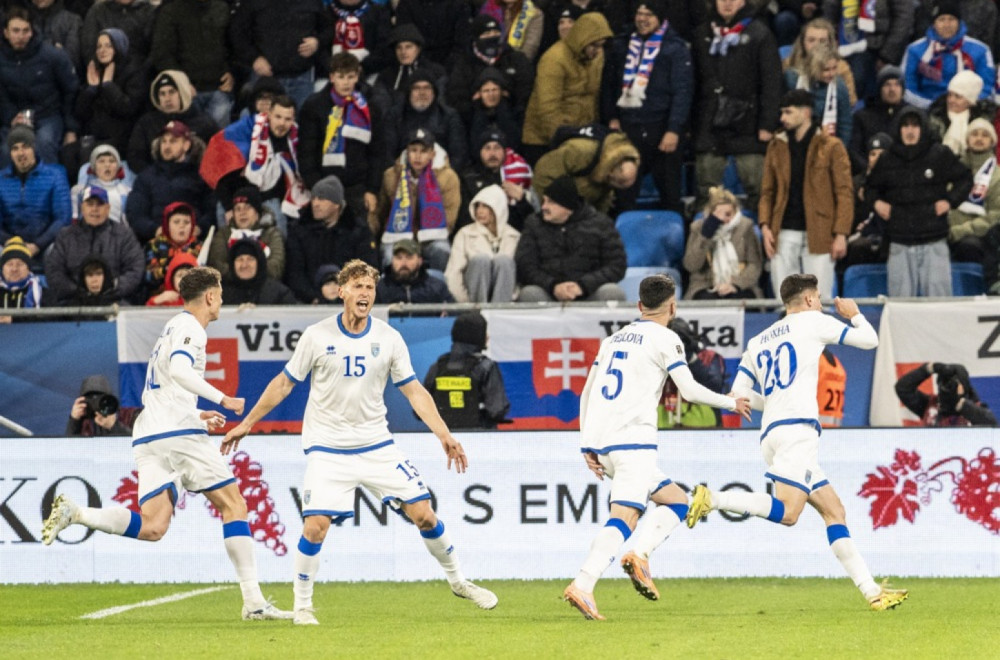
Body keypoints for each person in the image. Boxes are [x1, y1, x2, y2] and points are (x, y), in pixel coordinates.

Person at [221, 259, 498, 625]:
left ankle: (459, 581)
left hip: (376, 445)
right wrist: (247, 423)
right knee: (315, 526)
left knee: (424, 515)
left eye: (370, 287)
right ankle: (302, 606)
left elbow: (414, 391)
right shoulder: (317, 336)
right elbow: (284, 383)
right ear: (342, 292)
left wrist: (444, 434)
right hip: (327, 447)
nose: (365, 293)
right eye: (358, 286)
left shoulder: (388, 338)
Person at [43, 266, 292, 622]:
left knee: (153, 527)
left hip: (150, 435)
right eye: (220, 294)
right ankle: (253, 603)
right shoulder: (191, 328)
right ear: (210, 296)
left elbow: (168, 390)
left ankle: (78, 514)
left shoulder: (172, 327)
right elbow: (179, 371)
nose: (221, 301)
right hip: (176, 435)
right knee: (234, 505)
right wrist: (222, 399)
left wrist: (198, 415)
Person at [685, 273, 908, 612]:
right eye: (818, 297)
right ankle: (714, 498)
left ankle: (872, 592)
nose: (820, 303)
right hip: (797, 433)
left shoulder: (758, 341)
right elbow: (869, 340)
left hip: (772, 433)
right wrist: (854, 314)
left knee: (834, 510)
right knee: (789, 513)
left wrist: (773, 402)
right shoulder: (813, 321)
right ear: (808, 299)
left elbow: (738, 395)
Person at [562, 274, 752, 620]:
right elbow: (689, 391)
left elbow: (587, 391)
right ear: (673, 307)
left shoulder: (612, 340)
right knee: (625, 516)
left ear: (639, 305)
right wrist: (730, 402)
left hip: (604, 440)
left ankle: (639, 555)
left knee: (677, 501)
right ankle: (583, 584)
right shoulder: (666, 338)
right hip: (633, 442)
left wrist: (586, 443)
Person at [866, 106, 973, 296]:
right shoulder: (887, 158)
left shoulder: (939, 153)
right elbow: (869, 188)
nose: (910, 130)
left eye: (915, 125)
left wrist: (950, 201)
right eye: (905, 125)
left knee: (939, 304)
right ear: (898, 129)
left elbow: (965, 178)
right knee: (900, 305)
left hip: (934, 239)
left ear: (923, 128)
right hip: (899, 240)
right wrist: (877, 203)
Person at [759, 90, 853, 299]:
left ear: (806, 112)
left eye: (788, 112)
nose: (782, 118)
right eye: (782, 112)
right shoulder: (776, 145)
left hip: (820, 230)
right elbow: (767, 191)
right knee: (785, 300)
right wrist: (765, 226)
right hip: (783, 229)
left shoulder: (832, 146)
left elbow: (844, 192)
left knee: (819, 299)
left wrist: (841, 233)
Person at [602, 0, 693, 213]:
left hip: (661, 130)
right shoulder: (622, 44)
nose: (642, 19)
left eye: (649, 14)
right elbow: (609, 85)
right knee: (624, 195)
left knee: (670, 196)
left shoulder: (675, 48)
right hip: (628, 129)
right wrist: (611, 117)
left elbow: (682, 92)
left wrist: (673, 129)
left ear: (660, 18)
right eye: (639, 14)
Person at [691, 0, 782, 211]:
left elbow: (772, 83)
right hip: (710, 122)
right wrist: (690, 125)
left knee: (759, 188)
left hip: (748, 124)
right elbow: (692, 83)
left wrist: (767, 124)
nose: (728, 3)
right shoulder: (702, 33)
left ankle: (761, 229)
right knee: (707, 190)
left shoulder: (760, 33)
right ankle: (707, 229)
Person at [199, 94, 310, 234]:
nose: (282, 123)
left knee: (278, 225)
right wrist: (228, 207)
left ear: (293, 120)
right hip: (235, 198)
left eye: (287, 119)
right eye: (278, 117)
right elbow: (222, 174)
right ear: (269, 114)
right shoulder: (245, 132)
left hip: (270, 199)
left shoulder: (297, 140)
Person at [514, 175, 627, 302]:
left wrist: (582, 286)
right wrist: (553, 286)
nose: (544, 207)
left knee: (612, 292)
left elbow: (616, 265)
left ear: (567, 207)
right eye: (544, 201)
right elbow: (525, 266)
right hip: (549, 293)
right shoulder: (534, 224)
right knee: (529, 293)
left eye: (551, 202)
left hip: (588, 292)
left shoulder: (601, 224)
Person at [520, 12, 613, 164]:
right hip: (545, 141)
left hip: (580, 137)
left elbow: (594, 97)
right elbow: (548, 108)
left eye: (601, 45)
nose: (597, 50)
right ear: (583, 39)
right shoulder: (554, 59)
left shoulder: (597, 57)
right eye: (594, 45)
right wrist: (562, 140)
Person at [297, 53, 382, 216]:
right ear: (332, 77)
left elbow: (376, 153)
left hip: (358, 188)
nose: (346, 83)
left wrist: (372, 189)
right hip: (324, 188)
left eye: (350, 77)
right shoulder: (314, 106)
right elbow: (306, 153)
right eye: (341, 77)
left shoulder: (369, 108)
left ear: (357, 76)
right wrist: (317, 188)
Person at [373, 128, 461, 271]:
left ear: (432, 154)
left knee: (442, 250)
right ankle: (391, 285)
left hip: (431, 238)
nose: (418, 156)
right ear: (407, 152)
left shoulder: (448, 177)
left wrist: (418, 239)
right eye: (413, 150)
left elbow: (449, 217)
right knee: (388, 254)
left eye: (423, 151)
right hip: (398, 236)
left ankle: (437, 285)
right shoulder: (391, 175)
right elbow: (382, 212)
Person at [0, 7, 79, 166]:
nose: (21, 36)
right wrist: (11, 116)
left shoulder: (52, 56)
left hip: (48, 115)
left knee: (44, 144)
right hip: (15, 116)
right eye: (15, 31)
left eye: (25, 31)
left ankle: (49, 182)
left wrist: (71, 129)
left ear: (32, 32)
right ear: (6, 33)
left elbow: (71, 90)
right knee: (7, 150)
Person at [286, 175, 379, 304]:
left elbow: (367, 270)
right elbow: (295, 273)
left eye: (321, 199)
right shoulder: (299, 231)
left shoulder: (358, 231)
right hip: (308, 304)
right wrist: (314, 298)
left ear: (336, 204)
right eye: (313, 198)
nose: (315, 204)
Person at [45, 186, 145, 304]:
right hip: (73, 300)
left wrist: (111, 287)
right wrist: (77, 290)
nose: (94, 209)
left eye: (99, 204)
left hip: (114, 300)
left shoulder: (124, 235)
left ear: (108, 208)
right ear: (82, 208)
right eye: (90, 204)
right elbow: (54, 270)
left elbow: (135, 269)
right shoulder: (66, 236)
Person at [228, 0, 331, 109]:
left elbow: (328, 28)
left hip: (302, 77)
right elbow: (237, 33)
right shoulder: (254, 2)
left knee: (303, 118)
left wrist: (317, 41)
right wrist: (254, 58)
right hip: (265, 79)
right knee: (261, 119)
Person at [126, 119, 216, 243]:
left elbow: (212, 210)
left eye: (173, 141)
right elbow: (136, 213)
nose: (167, 146)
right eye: (164, 141)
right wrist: (155, 230)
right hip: (155, 242)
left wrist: (200, 228)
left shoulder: (201, 176)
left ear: (186, 145)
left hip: (194, 241)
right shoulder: (146, 176)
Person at [151, 0, 234, 128]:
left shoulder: (222, 7)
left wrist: (230, 71)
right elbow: (161, 53)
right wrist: (181, 82)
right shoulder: (171, 10)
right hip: (187, 92)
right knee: (187, 137)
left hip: (219, 88)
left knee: (219, 138)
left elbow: (232, 45)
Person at [901, 0, 995, 110]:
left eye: (951, 19)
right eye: (941, 19)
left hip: (969, 109)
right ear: (934, 23)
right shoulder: (915, 50)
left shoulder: (981, 50)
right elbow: (907, 87)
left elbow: (988, 88)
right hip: (926, 108)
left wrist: (965, 104)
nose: (946, 25)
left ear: (959, 22)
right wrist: (932, 106)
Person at [424, 311, 511, 429]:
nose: (487, 336)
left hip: (444, 437)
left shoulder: (437, 367)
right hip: (480, 436)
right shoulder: (486, 367)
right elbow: (497, 410)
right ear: (477, 335)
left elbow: (420, 411)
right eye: (484, 332)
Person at [0, 126, 72, 268]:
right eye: (15, 148)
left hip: (45, 245)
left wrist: (37, 245)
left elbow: (63, 218)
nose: (21, 153)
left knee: (58, 251)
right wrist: (10, 242)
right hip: (9, 245)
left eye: (25, 147)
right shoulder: (1, 179)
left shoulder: (55, 175)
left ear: (34, 148)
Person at [73, 27, 147, 159]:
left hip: (123, 136)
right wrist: (91, 90)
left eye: (108, 46)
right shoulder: (95, 70)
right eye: (99, 46)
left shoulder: (134, 72)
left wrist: (109, 86)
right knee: (69, 154)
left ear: (119, 47)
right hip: (93, 135)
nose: (102, 50)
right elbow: (80, 113)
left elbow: (129, 108)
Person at [127, 70, 218, 174]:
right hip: (155, 179)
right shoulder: (147, 122)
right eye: (162, 94)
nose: (167, 98)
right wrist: (153, 177)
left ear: (182, 92)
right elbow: (135, 156)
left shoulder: (204, 122)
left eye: (172, 92)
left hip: (194, 180)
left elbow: (218, 154)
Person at [683, 186, 763, 299]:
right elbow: (691, 265)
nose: (723, 218)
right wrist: (706, 234)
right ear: (711, 213)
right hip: (705, 285)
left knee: (739, 298)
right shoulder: (698, 228)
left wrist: (735, 284)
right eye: (719, 214)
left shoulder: (745, 227)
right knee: (706, 298)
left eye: (728, 214)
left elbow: (755, 265)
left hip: (741, 285)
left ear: (735, 212)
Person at [445, 184, 520, 303]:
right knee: (481, 260)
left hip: (506, 299)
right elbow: (453, 273)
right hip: (471, 300)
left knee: (504, 261)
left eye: (485, 206)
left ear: (498, 208)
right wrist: (464, 303)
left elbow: (519, 275)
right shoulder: (465, 233)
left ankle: (500, 309)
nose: (479, 211)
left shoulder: (514, 236)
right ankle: (480, 309)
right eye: (477, 206)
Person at [457, 128, 537, 234]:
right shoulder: (468, 177)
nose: (492, 153)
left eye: (497, 148)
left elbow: (532, 221)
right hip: (477, 235)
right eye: (487, 148)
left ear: (504, 152)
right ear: (479, 151)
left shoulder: (517, 176)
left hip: (510, 235)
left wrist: (521, 200)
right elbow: (464, 218)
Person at [206, 186, 286, 281]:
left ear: (257, 213)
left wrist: (245, 273)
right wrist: (245, 274)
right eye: (238, 209)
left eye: (247, 208)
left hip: (264, 286)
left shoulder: (272, 233)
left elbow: (276, 268)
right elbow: (217, 265)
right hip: (230, 286)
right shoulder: (224, 234)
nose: (242, 213)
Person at [949, 117, 1000, 262]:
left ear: (992, 141)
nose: (979, 139)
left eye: (985, 135)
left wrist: (961, 231)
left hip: (979, 236)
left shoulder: (997, 176)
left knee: (968, 246)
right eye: (975, 134)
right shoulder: (952, 169)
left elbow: (996, 216)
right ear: (967, 140)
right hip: (946, 231)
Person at [783, 45, 853, 145]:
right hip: (793, 141)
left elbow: (845, 124)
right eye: (826, 69)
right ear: (813, 67)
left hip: (825, 144)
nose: (832, 74)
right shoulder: (792, 79)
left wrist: (839, 149)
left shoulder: (839, 86)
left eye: (834, 68)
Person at [895, 362, 997, 426]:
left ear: (964, 386)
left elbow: (991, 424)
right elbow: (903, 388)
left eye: (954, 385)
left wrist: (960, 404)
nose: (949, 388)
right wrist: (929, 369)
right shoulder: (930, 405)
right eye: (945, 384)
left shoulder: (976, 408)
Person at [848, 65, 906, 174]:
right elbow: (854, 151)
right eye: (887, 84)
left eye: (897, 84)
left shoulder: (910, 117)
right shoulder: (862, 117)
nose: (892, 89)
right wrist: (868, 170)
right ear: (879, 88)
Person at [374, 24, 447, 108]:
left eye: (408, 47)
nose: (403, 52)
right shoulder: (386, 76)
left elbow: (441, 105)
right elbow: (380, 105)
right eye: (399, 48)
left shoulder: (436, 72)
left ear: (418, 49)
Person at [927, 70, 995, 157]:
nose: (951, 100)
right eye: (950, 95)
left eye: (958, 97)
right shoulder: (935, 116)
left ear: (970, 101)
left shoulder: (982, 119)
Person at [143, 202, 202, 299]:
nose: (181, 226)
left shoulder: (199, 247)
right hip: (161, 298)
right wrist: (168, 269)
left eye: (186, 222)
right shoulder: (154, 245)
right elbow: (148, 277)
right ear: (167, 225)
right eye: (176, 222)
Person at [221, 238, 298, 307]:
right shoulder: (220, 295)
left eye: (250, 259)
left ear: (259, 263)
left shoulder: (280, 294)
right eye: (240, 259)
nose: (244, 265)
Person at [375, 238, 455, 304]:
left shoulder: (437, 287)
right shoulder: (380, 288)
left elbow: (454, 312)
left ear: (420, 261)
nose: (403, 263)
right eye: (399, 258)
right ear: (392, 261)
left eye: (409, 257)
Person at [69, 144, 131, 225]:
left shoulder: (127, 192)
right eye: (101, 161)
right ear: (94, 167)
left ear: (118, 167)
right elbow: (74, 220)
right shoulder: (79, 191)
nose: (107, 165)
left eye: (112, 161)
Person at [66, 374, 131, 436]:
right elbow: (69, 443)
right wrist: (74, 421)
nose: (96, 403)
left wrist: (114, 426)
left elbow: (134, 441)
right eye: (90, 399)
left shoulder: (128, 416)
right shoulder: (82, 420)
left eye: (101, 399)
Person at [0, 236, 44, 320]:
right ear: (2, 269)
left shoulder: (42, 294)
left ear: (28, 269)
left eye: (20, 264)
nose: (14, 269)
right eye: (9, 264)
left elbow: (53, 320)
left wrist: (14, 320)